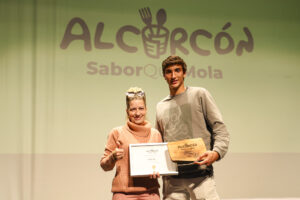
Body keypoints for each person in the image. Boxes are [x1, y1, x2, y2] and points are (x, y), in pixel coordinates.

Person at [155, 55, 230, 200]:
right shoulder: (160, 106)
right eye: (169, 72)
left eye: (177, 70)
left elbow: (219, 129)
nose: (173, 75)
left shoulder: (199, 94)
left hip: (201, 177)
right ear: (164, 75)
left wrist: (216, 153)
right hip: (172, 180)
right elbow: (158, 142)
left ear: (184, 73)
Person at [100, 87, 162, 200]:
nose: (137, 113)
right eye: (133, 109)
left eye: (141, 108)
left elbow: (160, 164)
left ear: (146, 109)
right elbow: (104, 165)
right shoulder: (117, 132)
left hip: (150, 193)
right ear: (127, 111)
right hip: (123, 194)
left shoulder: (155, 134)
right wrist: (113, 157)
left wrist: (159, 170)